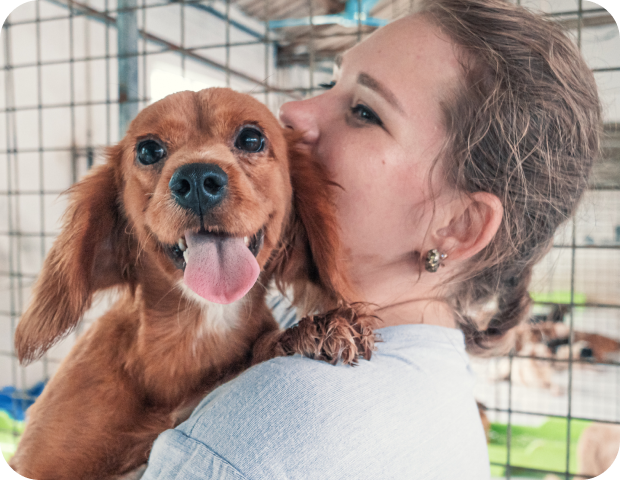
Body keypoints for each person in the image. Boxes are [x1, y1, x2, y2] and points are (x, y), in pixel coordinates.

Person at [142, 0, 601, 478]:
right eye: (329, 83)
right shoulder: (441, 389)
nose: (292, 111)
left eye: (364, 111)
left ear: (458, 226)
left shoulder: (259, 433)